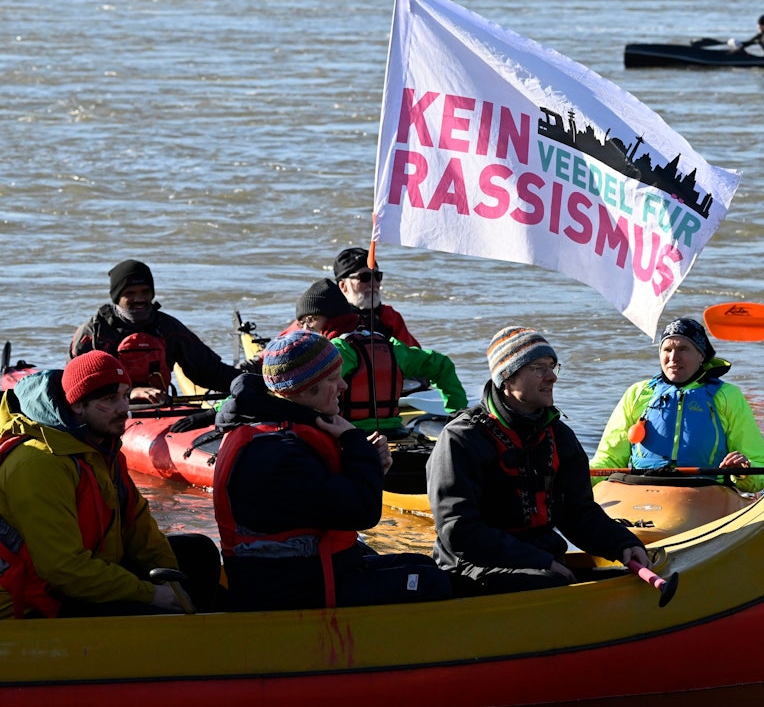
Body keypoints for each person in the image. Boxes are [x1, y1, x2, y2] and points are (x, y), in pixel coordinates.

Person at [212, 330, 451, 611]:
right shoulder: (276, 451)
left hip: (311, 571)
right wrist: (357, 448)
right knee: (432, 582)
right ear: (303, 388)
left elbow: (327, 505)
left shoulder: (280, 430)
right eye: (332, 379)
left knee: (420, 563)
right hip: (290, 590)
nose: (344, 386)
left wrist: (373, 467)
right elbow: (362, 513)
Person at [427, 327, 651, 596]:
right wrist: (539, 561)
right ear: (507, 377)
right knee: (549, 582)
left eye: (553, 366)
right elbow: (458, 530)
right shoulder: (460, 439)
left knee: (620, 566)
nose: (552, 377)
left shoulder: (559, 435)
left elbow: (578, 513)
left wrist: (622, 543)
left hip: (543, 563)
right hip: (470, 567)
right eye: (538, 368)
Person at [0, 351, 221, 618]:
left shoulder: (103, 448)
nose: (123, 408)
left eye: (125, 396)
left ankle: (201, 632)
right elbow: (62, 569)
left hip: (82, 571)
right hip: (34, 596)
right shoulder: (39, 463)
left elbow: (140, 527)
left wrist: (169, 582)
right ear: (77, 405)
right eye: (109, 399)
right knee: (149, 614)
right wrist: (150, 594)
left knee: (198, 552)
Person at [590, 318, 764, 495]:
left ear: (701, 355)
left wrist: (742, 471)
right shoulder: (637, 394)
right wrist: (577, 476)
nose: (673, 357)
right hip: (643, 487)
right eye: (667, 349)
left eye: (683, 349)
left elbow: (757, 468)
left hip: (706, 490)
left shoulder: (728, 396)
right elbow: (609, 459)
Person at [293, 278, 467, 434]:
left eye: (307, 321)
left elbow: (308, 391)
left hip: (348, 432)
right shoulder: (390, 345)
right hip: (394, 430)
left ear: (323, 318)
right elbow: (442, 365)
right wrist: (456, 413)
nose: (304, 329)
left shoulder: (335, 351)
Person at [70, 260, 241, 404]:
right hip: (108, 410)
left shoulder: (169, 328)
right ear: (116, 297)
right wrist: (131, 393)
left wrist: (250, 382)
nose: (139, 299)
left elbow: (209, 371)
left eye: (145, 291)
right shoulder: (94, 334)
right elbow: (79, 386)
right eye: (130, 293)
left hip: (158, 410)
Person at [333, 247, 420, 347]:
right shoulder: (332, 319)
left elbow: (415, 356)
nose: (373, 283)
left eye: (377, 276)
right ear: (343, 286)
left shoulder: (390, 317)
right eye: (364, 277)